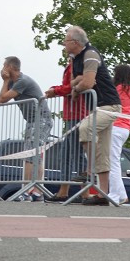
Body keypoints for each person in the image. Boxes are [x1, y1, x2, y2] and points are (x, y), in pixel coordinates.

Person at [65, 26, 123, 204]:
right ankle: (102, 195)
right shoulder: (75, 58)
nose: (63, 44)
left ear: (75, 42)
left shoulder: (90, 54)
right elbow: (77, 80)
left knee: (86, 127)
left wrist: (77, 86)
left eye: (65, 41)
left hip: (109, 106)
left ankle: (89, 171)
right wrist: (78, 82)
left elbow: (88, 82)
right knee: (103, 151)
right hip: (98, 107)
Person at [0, 57, 52, 201]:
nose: (2, 68)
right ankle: (36, 192)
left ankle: (27, 191)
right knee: (34, 155)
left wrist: (4, 82)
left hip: (41, 119)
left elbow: (3, 99)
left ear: (10, 67)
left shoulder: (22, 81)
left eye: (4, 65)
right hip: (33, 120)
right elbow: (1, 97)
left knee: (30, 154)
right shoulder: (13, 82)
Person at [44, 58, 89, 202]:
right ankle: (64, 191)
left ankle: (84, 192)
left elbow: (73, 86)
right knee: (66, 154)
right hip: (71, 115)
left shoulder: (78, 65)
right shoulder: (73, 65)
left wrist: (55, 90)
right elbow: (69, 86)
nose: (65, 45)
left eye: (67, 41)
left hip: (77, 114)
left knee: (77, 153)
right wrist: (56, 89)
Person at [110, 64, 130, 205]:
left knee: (112, 162)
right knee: (114, 161)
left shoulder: (117, 89)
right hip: (126, 127)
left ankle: (115, 195)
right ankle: (121, 194)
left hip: (115, 126)